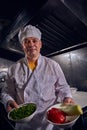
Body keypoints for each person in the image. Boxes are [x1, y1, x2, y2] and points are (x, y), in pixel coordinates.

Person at [1, 25, 75, 130]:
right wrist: (8, 101)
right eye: (26, 41)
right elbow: (6, 92)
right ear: (22, 46)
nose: (31, 44)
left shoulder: (53, 65)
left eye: (34, 40)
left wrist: (67, 97)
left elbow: (63, 87)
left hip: (49, 121)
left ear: (40, 44)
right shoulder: (14, 68)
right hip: (24, 123)